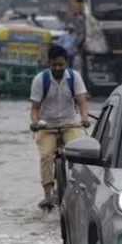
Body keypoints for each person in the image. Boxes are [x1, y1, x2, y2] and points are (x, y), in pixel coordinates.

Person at [30, 45, 91, 210]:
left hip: (71, 124)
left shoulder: (75, 78)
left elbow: (82, 102)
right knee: (46, 156)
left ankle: (80, 191)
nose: (58, 68)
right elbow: (35, 108)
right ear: (49, 63)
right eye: (54, 65)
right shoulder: (40, 80)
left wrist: (85, 119)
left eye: (61, 65)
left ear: (66, 63)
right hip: (47, 126)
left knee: (79, 155)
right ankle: (48, 197)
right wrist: (35, 123)